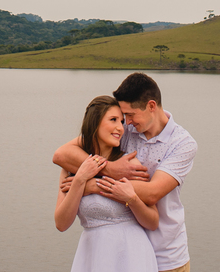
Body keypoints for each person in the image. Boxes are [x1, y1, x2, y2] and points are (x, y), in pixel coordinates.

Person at [54, 74, 197, 272]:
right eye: (121, 117)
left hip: (167, 254)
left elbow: (152, 192)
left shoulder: (182, 144)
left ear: (151, 106)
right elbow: (61, 154)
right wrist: (108, 168)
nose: (125, 123)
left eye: (130, 115)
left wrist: (91, 185)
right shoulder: (124, 129)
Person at [55, 95, 159, 272]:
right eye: (113, 120)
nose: (120, 128)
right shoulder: (71, 168)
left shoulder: (129, 166)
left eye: (121, 121)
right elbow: (61, 224)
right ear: (95, 124)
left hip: (131, 256)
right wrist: (80, 180)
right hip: (92, 256)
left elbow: (153, 222)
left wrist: (131, 199)